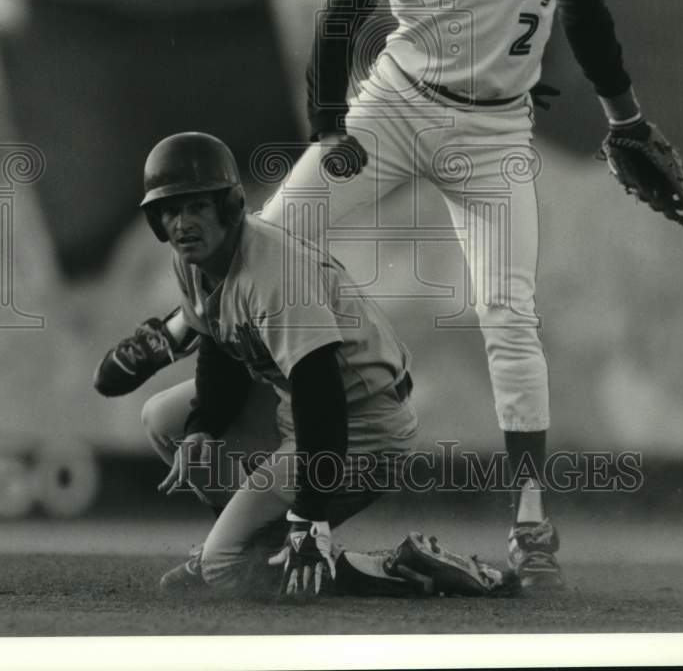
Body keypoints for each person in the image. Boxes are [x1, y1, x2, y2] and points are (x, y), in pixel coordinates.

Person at [257, 0, 683, 590]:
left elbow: (595, 33)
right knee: (273, 235)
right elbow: (335, 28)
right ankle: (200, 357)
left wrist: (626, 119)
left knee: (508, 313)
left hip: (494, 129)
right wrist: (326, 129)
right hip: (394, 105)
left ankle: (530, 519)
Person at [95, 131, 518, 600]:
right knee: (163, 419)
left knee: (226, 571)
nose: (182, 222)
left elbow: (323, 397)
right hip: (297, 405)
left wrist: (310, 516)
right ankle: (252, 547)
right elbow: (223, 349)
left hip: (362, 426)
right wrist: (203, 428)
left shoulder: (275, 274)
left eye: (196, 206)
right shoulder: (193, 260)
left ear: (229, 204)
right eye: (170, 210)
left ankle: (404, 566)